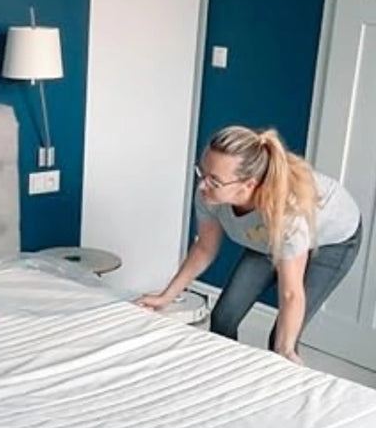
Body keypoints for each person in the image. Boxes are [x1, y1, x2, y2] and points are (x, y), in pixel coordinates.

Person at [137, 125, 362, 364]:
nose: (202, 185)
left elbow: (290, 293)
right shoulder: (210, 194)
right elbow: (204, 247)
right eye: (202, 174)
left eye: (214, 180)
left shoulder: (288, 214)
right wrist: (166, 296)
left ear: (249, 185)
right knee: (223, 317)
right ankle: (225, 374)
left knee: (281, 341)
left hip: (333, 241)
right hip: (268, 236)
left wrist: (285, 353)